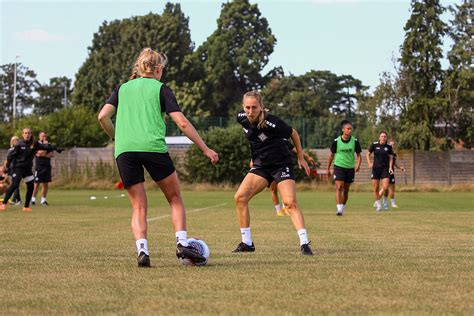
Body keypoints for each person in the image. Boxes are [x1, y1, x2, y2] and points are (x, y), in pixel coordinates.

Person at [98, 48, 219, 268]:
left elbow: (102, 116)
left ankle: (142, 250)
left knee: (138, 206)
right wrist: (205, 148)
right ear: (159, 69)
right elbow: (182, 123)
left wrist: (116, 136)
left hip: (125, 151)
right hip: (152, 148)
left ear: (139, 67)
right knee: (174, 198)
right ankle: (182, 244)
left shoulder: (122, 89)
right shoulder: (161, 89)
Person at [233, 90, 313, 256]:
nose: (250, 111)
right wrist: (253, 158)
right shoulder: (241, 118)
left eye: (254, 107)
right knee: (240, 198)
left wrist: (301, 157)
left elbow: (293, 133)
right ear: (243, 107)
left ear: (261, 107)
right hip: (261, 166)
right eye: (247, 107)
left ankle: (304, 243)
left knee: (290, 203)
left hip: (281, 164)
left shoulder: (273, 122)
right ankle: (247, 243)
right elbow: (255, 139)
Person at [0, 128, 62, 212]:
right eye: (25, 133)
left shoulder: (34, 144)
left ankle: (26, 207)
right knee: (14, 185)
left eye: (29, 133)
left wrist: (56, 148)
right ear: (23, 134)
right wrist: (6, 168)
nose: (27, 135)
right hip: (17, 168)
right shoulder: (19, 144)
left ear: (31, 134)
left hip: (27, 169)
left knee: (31, 187)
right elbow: (10, 156)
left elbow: (45, 146)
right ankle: (3, 204)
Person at [267, 141, 315, 217]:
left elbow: (296, 149)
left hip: (282, 168)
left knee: (284, 188)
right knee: (273, 189)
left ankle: (285, 209)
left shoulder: (283, 140)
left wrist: (307, 157)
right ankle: (278, 211)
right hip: (270, 167)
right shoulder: (267, 139)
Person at [326, 120, 362, 216]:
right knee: (339, 187)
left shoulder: (355, 141)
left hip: (350, 168)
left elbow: (359, 155)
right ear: (343, 130)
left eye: (351, 129)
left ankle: (343, 207)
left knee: (346, 190)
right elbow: (331, 156)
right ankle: (339, 209)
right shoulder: (336, 142)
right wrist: (328, 168)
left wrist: (358, 165)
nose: (350, 130)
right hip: (339, 166)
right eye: (348, 129)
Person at [366, 131, 393, 212]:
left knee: (385, 187)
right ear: (379, 137)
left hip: (385, 169)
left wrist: (390, 167)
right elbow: (368, 154)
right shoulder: (374, 145)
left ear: (386, 138)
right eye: (382, 136)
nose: (383, 138)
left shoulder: (388, 147)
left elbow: (391, 157)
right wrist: (369, 163)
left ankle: (384, 200)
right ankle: (379, 205)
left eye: (385, 136)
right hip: (375, 169)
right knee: (376, 188)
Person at [379, 139, 405, 209]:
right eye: (391, 144)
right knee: (385, 188)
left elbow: (394, 163)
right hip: (385, 172)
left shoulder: (394, 154)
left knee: (392, 188)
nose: (392, 146)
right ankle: (377, 201)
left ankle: (392, 203)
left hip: (391, 172)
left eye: (393, 145)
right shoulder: (385, 152)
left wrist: (400, 168)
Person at [32, 131, 55, 206]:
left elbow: (52, 154)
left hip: (47, 166)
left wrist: (44, 154)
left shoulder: (49, 144)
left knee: (45, 184)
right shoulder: (36, 144)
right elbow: (40, 153)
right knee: (36, 184)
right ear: (39, 137)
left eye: (45, 136)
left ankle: (43, 200)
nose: (44, 137)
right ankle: (33, 199)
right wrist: (45, 148)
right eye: (42, 136)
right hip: (39, 167)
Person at [4, 136, 21, 205]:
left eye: (17, 140)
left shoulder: (20, 150)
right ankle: (16, 199)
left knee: (15, 184)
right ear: (12, 142)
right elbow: (7, 160)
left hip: (17, 169)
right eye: (14, 141)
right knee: (14, 184)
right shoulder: (11, 150)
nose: (16, 142)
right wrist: (5, 169)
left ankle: (17, 199)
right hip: (11, 169)